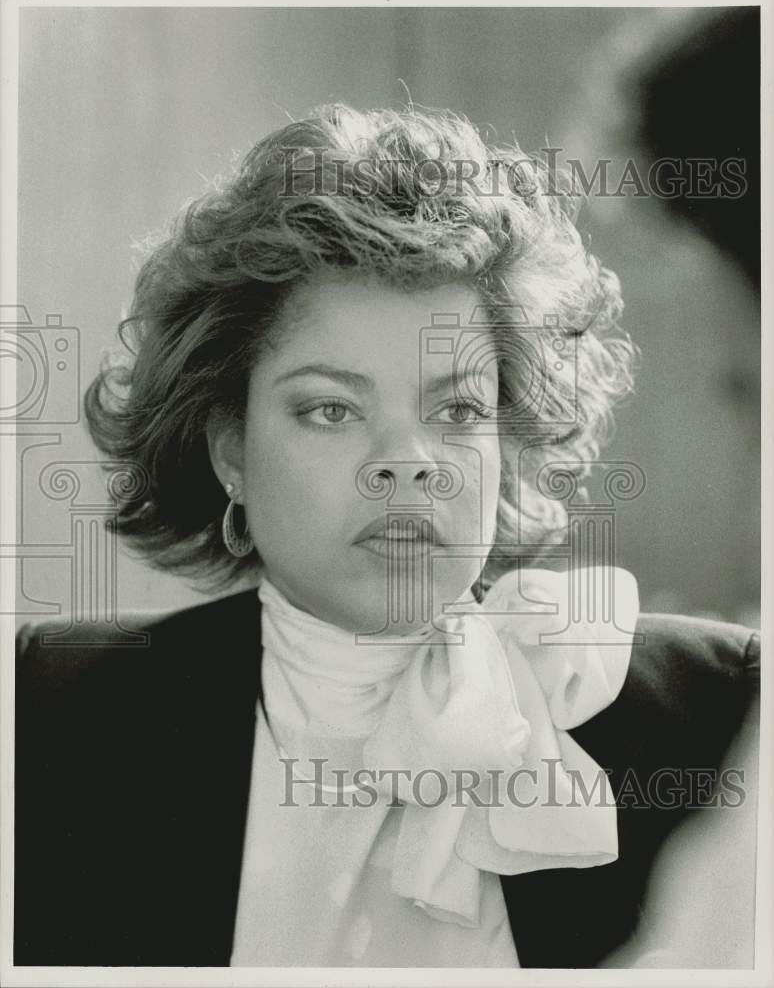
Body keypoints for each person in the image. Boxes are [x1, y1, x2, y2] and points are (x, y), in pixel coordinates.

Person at [14, 104, 759, 969]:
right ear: (232, 454)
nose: (405, 466)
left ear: (508, 445)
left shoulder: (719, 710)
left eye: (456, 411)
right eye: (331, 409)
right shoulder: (45, 713)